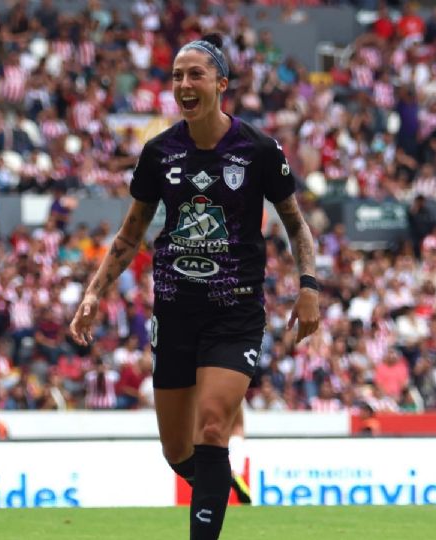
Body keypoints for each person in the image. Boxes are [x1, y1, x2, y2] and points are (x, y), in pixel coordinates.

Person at [69, 33, 320, 540]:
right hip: (175, 313)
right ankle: (216, 480)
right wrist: (94, 292)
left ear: (220, 84)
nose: (184, 84)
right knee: (177, 451)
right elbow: (130, 233)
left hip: (236, 312)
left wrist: (309, 285)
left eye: (195, 74)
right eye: (178, 76)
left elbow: (295, 224)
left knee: (212, 427)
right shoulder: (159, 153)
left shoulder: (259, 150)